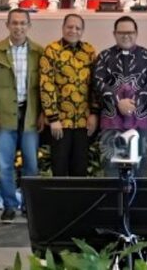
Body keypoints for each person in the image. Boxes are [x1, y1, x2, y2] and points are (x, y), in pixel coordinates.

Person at [0, 9, 44, 221]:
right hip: (4, 115)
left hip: (30, 114)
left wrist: (44, 114)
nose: (18, 27)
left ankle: (29, 205)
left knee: (31, 164)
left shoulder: (38, 51)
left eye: (23, 23)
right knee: (5, 164)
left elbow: (44, 86)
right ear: (7, 25)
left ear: (29, 26)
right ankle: (9, 205)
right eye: (14, 23)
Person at [93, 15, 147, 176]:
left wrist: (133, 103)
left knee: (141, 164)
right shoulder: (104, 56)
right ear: (114, 34)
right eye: (121, 32)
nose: (126, 35)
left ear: (136, 33)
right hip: (111, 120)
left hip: (141, 120)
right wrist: (118, 103)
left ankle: (140, 201)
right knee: (111, 165)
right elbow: (97, 82)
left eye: (130, 32)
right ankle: (113, 201)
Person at [39, 14, 98, 176]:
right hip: (60, 122)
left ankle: (78, 202)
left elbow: (95, 85)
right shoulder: (51, 50)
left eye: (78, 28)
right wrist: (53, 118)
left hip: (83, 121)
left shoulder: (89, 51)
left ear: (82, 31)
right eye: (70, 27)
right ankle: (60, 202)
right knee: (59, 166)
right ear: (63, 28)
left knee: (80, 167)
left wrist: (94, 113)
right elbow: (46, 85)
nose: (73, 30)